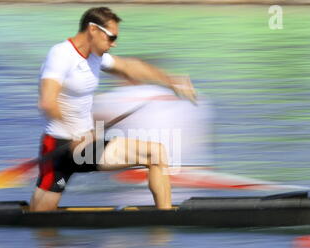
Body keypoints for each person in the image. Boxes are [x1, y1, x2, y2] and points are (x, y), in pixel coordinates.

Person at [29, 7, 196, 212]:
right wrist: (75, 134)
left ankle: (165, 217)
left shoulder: (95, 57)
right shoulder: (61, 55)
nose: (113, 43)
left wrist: (171, 81)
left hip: (86, 146)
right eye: (111, 37)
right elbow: (47, 102)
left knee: (156, 153)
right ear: (93, 30)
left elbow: (129, 67)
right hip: (60, 146)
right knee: (40, 217)